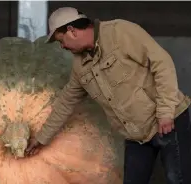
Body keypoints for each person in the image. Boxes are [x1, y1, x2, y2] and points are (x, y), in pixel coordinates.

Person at [25, 7, 191, 184]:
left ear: (71, 31)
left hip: (167, 122)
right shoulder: (80, 66)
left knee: (178, 179)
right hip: (136, 136)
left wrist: (165, 112)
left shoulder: (119, 32)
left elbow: (162, 64)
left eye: (61, 40)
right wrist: (41, 139)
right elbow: (66, 102)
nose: (63, 46)